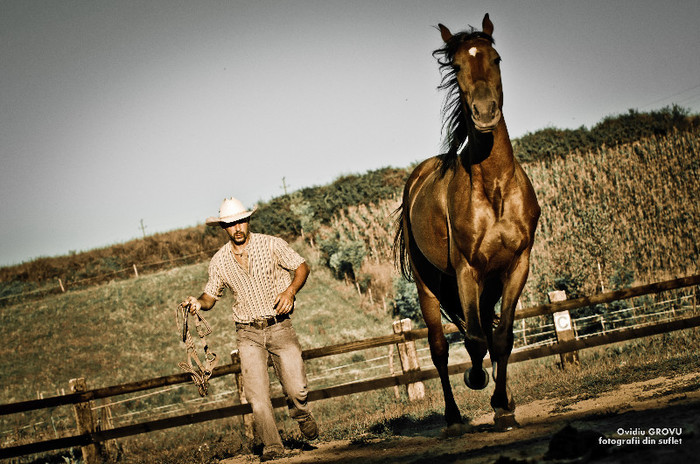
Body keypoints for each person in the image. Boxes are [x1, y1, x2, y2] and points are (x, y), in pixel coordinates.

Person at [181, 196, 318, 462]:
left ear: (248, 220)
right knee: (256, 395)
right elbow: (211, 296)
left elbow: (302, 267)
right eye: (231, 224)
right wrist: (198, 302)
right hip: (247, 333)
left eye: (241, 221)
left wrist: (290, 291)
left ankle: (300, 412)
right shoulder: (219, 261)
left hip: (280, 326)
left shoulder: (272, 244)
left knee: (297, 388)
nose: (238, 228)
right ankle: (272, 445)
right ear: (224, 228)